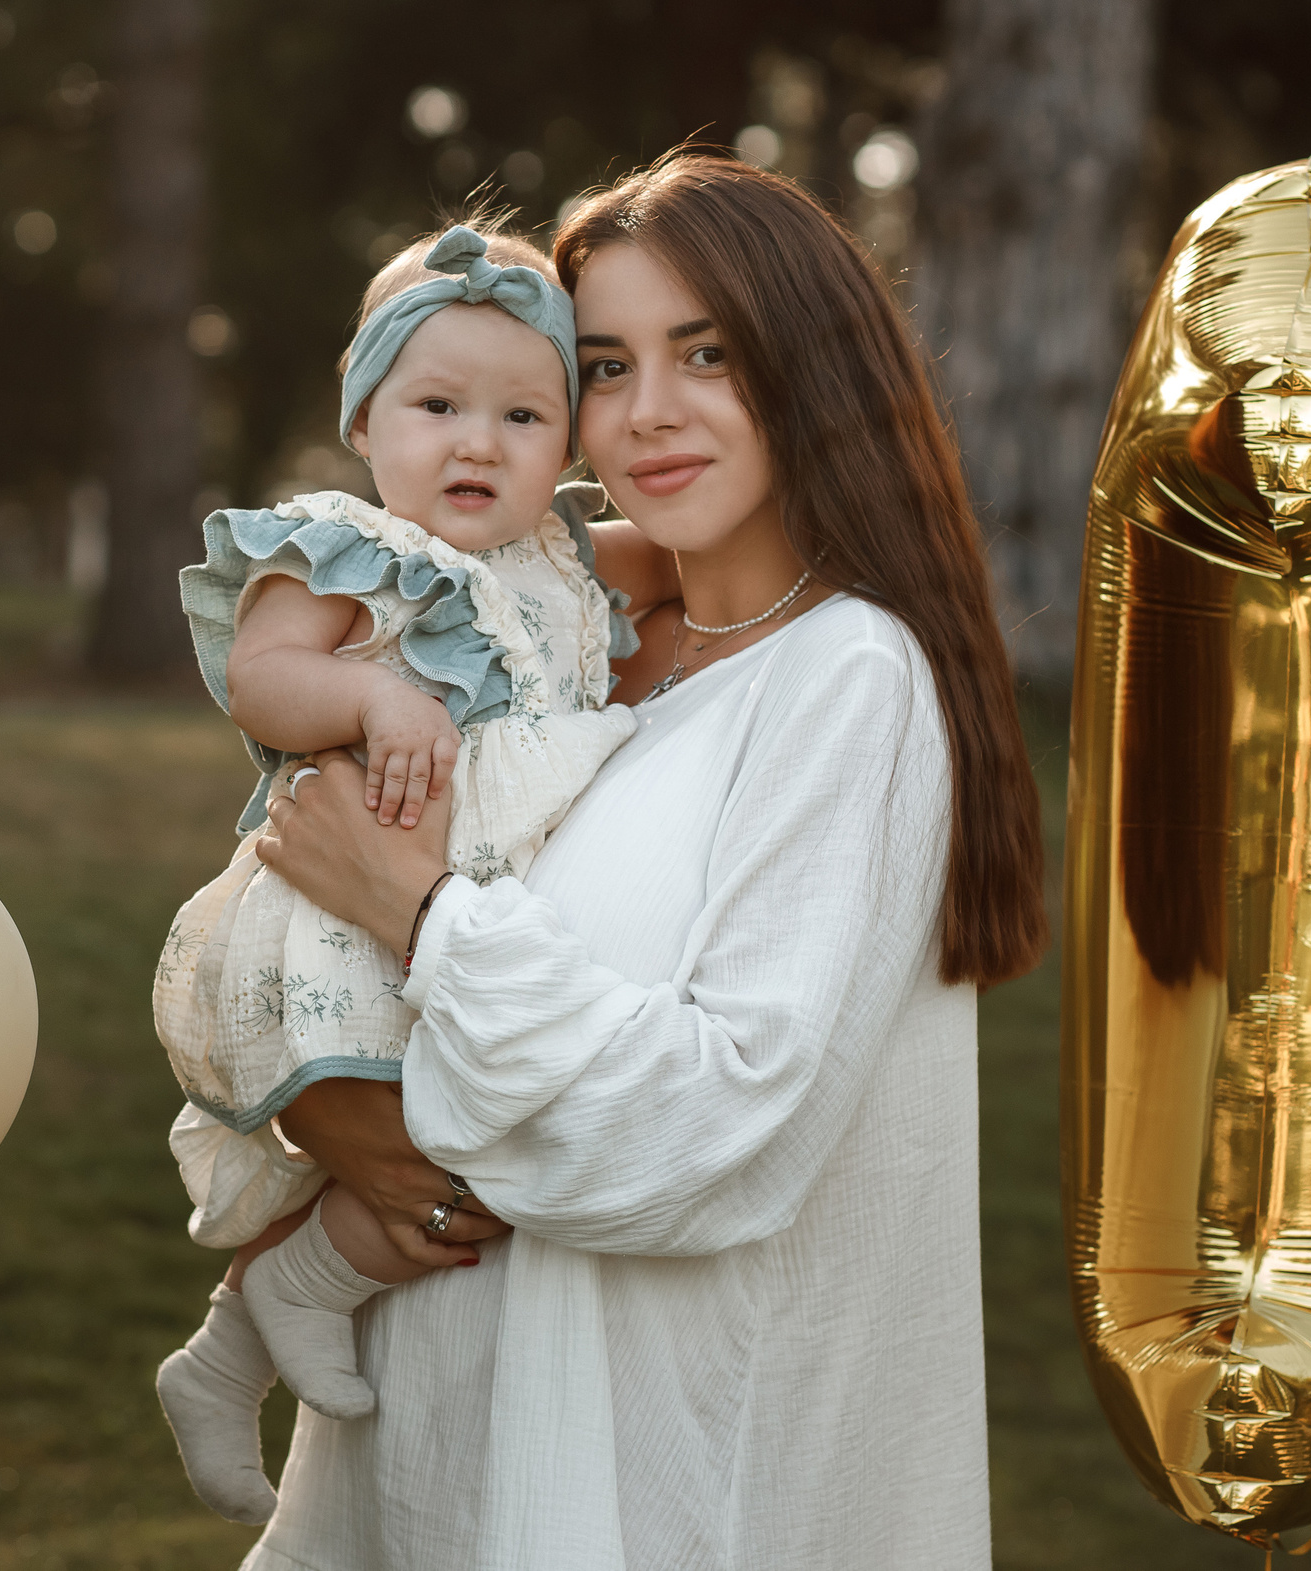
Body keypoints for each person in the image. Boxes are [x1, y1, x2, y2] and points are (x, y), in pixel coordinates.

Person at [240, 150, 1050, 1569]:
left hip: (644, 1477)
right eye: (604, 368)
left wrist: (419, 913)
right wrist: (335, 1119)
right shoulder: (570, 650)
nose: (649, 413)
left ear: (816, 367)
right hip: (428, 1443)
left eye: (709, 355)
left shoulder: (846, 676)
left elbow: (713, 1129)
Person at [150, 219, 674, 1524]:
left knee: (442, 1193)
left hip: (475, 920)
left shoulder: (566, 561)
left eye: (524, 412)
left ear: (568, 440)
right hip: (345, 914)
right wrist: (368, 704)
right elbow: (263, 680)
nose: (479, 442)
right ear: (367, 415)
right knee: (407, 1149)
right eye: (437, 405)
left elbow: (706, 561)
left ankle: (247, 1333)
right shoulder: (353, 552)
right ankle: (251, 1328)